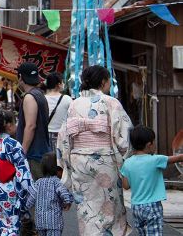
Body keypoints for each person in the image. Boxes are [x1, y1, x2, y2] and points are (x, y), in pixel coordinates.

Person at [57, 65, 133, 236]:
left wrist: (65, 162)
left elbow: (64, 138)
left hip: (79, 162)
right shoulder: (111, 102)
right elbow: (124, 135)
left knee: (86, 208)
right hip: (105, 161)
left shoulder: (74, 104)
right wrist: (126, 159)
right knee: (109, 206)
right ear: (104, 82)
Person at [121, 125, 183, 236]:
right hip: (152, 206)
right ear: (149, 145)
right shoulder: (156, 160)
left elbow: (125, 185)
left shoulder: (127, 163)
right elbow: (178, 158)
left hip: (136, 207)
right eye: (154, 142)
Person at [15, 62, 51, 180]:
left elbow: (31, 126)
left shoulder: (29, 97)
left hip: (33, 153)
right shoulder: (40, 95)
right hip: (41, 151)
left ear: (20, 77)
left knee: (34, 192)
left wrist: (22, 151)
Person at [26, 152, 73, 236]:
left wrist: (24, 208)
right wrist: (67, 201)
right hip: (54, 222)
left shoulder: (38, 182)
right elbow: (63, 192)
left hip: (40, 222)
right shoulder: (56, 182)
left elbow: (31, 198)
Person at [44, 73, 72, 148]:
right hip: (62, 135)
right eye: (62, 82)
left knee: (48, 159)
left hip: (45, 135)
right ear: (59, 84)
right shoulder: (67, 99)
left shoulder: (42, 99)